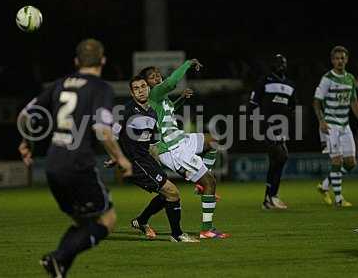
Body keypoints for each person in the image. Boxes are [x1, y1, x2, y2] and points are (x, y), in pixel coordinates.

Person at [18, 38, 132, 277]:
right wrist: (120, 158)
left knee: (83, 224)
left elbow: (26, 115)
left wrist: (27, 143)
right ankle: (56, 258)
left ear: (76, 61)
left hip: (53, 164)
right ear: (103, 61)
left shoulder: (59, 84)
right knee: (107, 220)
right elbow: (102, 129)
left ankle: (58, 268)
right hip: (79, 165)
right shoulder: (100, 88)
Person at [138, 61, 230, 239]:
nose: (157, 77)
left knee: (212, 141)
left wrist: (180, 100)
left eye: (158, 74)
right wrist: (187, 64)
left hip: (181, 139)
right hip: (173, 149)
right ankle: (207, 229)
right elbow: (171, 83)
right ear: (146, 84)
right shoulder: (155, 93)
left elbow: (169, 110)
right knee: (210, 183)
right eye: (152, 76)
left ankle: (200, 184)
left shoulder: (162, 98)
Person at [108, 76, 198, 242]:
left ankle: (141, 221)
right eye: (136, 88)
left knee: (167, 195)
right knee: (172, 192)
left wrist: (156, 159)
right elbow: (112, 133)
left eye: (143, 86)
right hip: (135, 162)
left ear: (148, 88)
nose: (141, 90)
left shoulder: (151, 112)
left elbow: (151, 141)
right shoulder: (127, 111)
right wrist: (115, 157)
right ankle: (177, 235)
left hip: (146, 159)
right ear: (131, 92)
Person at [313, 45, 358, 207]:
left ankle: (325, 184)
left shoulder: (350, 79)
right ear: (332, 61)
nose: (340, 61)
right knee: (337, 160)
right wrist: (321, 120)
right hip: (330, 125)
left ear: (346, 60)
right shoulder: (327, 78)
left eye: (342, 58)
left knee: (351, 162)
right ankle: (339, 199)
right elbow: (316, 102)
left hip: (345, 125)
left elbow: (354, 102)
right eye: (337, 58)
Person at [248, 54, 296, 210]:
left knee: (277, 160)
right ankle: (271, 196)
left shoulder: (290, 85)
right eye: (278, 62)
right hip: (267, 124)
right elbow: (253, 103)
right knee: (282, 155)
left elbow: (292, 107)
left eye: (283, 62)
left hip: (281, 127)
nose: (281, 65)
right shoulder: (265, 80)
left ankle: (269, 198)